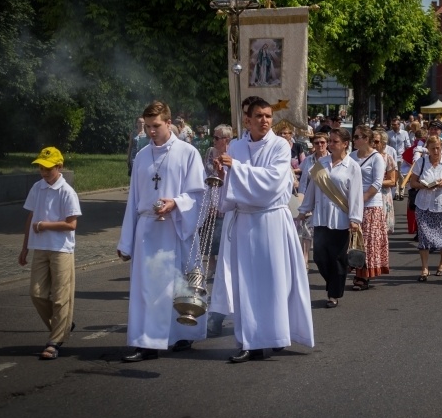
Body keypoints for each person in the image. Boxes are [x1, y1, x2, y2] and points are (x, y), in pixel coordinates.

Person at [211, 97, 314, 363]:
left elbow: (273, 183)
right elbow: (231, 189)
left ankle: (276, 335)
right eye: (259, 116)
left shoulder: (280, 146)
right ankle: (250, 341)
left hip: (271, 221)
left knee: (274, 282)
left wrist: (237, 168)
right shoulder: (235, 146)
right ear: (247, 120)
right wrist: (223, 173)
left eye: (268, 116)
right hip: (245, 221)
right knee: (247, 283)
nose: (265, 121)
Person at [117, 101, 207, 362]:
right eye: (147, 127)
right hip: (147, 230)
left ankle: (181, 334)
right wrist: (126, 241)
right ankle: (148, 343)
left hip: (175, 228)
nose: (151, 132)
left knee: (176, 285)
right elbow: (133, 200)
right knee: (148, 288)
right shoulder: (142, 156)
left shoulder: (188, 153)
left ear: (169, 123)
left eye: (155, 126)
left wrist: (175, 203)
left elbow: (198, 195)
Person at [18, 147, 81, 360]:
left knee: (60, 297)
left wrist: (45, 225)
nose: (43, 172)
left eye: (48, 168)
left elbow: (71, 225)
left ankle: (54, 342)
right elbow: (30, 218)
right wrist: (25, 246)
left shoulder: (67, 192)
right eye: (40, 167)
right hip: (40, 248)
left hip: (61, 249)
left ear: (59, 166)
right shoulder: (37, 188)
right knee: (36, 294)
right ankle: (62, 324)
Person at [298, 127, 364, 308]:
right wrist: (303, 211)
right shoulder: (320, 164)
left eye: (335, 141)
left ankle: (333, 293)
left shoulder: (352, 167)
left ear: (345, 144)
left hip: (341, 219)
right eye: (331, 141)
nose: (331, 144)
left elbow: (356, 195)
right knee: (319, 257)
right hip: (320, 217)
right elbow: (311, 190)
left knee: (337, 259)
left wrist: (355, 219)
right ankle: (333, 283)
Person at [409, 136, 442, 281]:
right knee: (423, 236)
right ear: (427, 149)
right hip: (423, 204)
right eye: (432, 148)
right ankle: (424, 268)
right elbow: (412, 183)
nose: (436, 151)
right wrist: (423, 185)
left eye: (438, 148)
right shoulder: (421, 162)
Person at [349, 126, 389, 290]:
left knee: (367, 240)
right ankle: (357, 271)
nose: (354, 139)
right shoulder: (351, 156)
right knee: (354, 240)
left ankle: (363, 276)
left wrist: (361, 200)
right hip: (353, 204)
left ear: (366, 139)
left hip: (371, 205)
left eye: (357, 136)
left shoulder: (376, 158)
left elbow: (377, 183)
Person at [203, 124, 233, 337]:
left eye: (217, 138)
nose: (214, 141)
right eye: (213, 138)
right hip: (214, 211)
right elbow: (208, 183)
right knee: (223, 269)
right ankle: (217, 316)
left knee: (231, 269)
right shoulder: (209, 155)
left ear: (226, 140)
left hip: (232, 215)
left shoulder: (235, 156)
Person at [296, 132, 329, 268]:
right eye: (317, 143)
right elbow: (303, 181)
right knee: (306, 231)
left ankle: (325, 258)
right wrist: (301, 202)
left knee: (325, 231)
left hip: (326, 200)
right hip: (310, 199)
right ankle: (305, 260)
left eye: (322, 142)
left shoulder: (332, 159)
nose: (320, 145)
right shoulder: (308, 160)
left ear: (327, 143)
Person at [374, 130, 397, 234]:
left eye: (376, 141)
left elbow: (392, 181)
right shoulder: (361, 157)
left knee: (381, 231)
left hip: (382, 196)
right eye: (371, 141)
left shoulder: (388, 158)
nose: (373, 144)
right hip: (365, 196)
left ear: (383, 143)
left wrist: (375, 183)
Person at [387, 117, 411, 200]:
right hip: (392, 157)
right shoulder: (389, 134)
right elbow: (387, 145)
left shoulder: (404, 133)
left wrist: (408, 154)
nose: (394, 126)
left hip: (401, 157)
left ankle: (402, 191)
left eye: (395, 125)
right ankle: (396, 192)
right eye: (392, 125)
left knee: (401, 175)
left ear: (399, 125)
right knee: (394, 174)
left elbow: (408, 145)